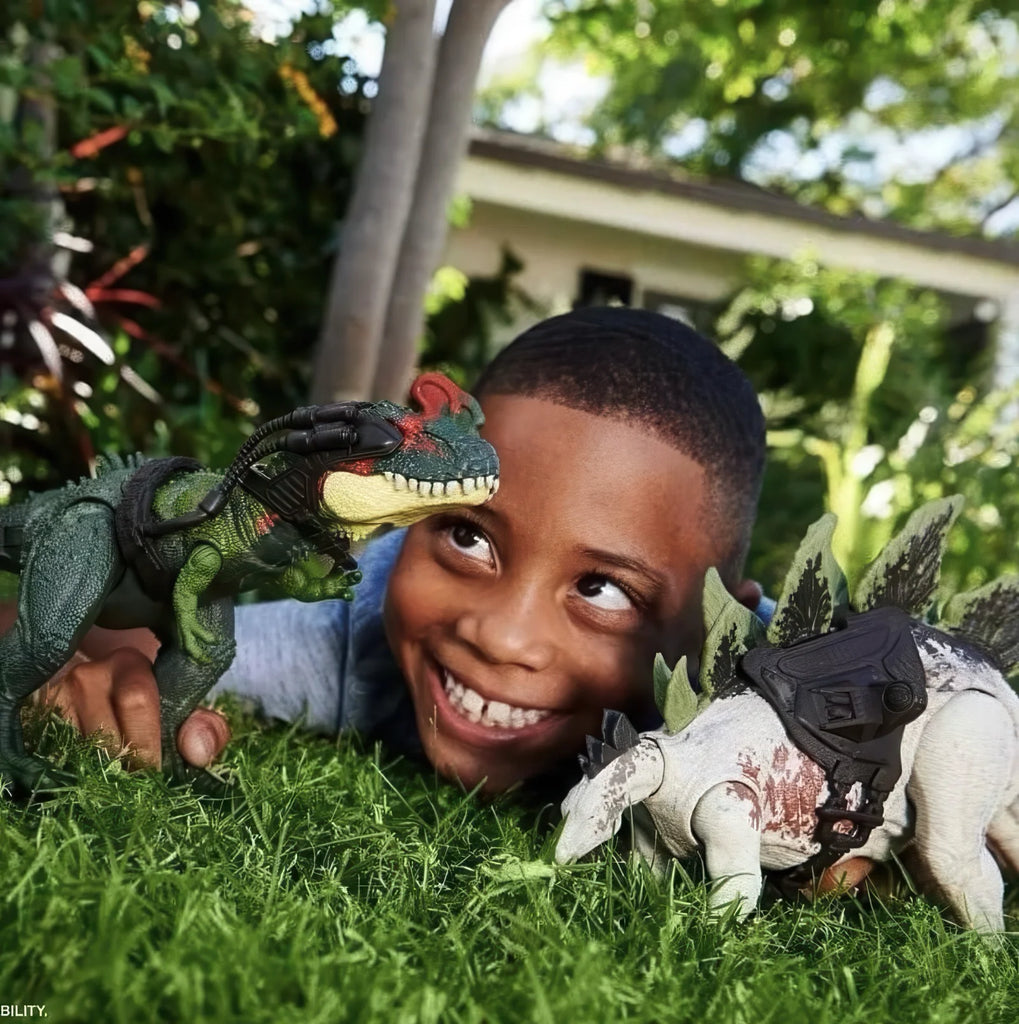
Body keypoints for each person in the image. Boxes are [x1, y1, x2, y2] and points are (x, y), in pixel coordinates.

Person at [12, 306, 768, 795]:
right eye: (468, 536)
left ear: (718, 634)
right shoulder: (353, 645)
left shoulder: (776, 695)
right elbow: (89, 623)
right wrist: (93, 676)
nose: (501, 637)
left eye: (602, 589)